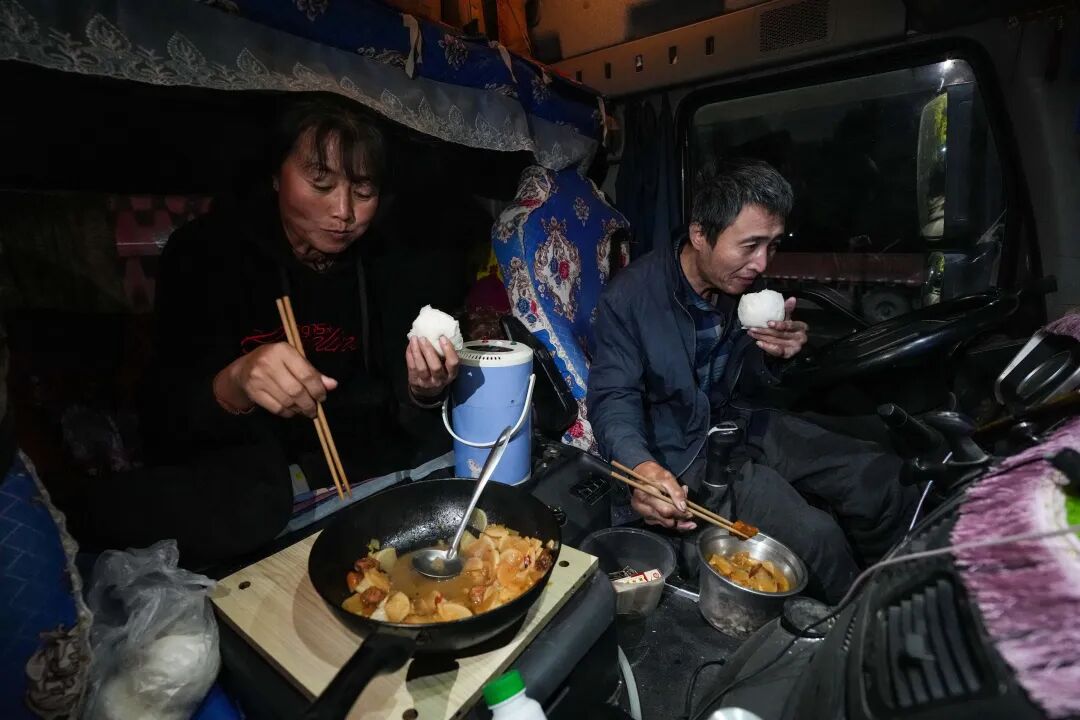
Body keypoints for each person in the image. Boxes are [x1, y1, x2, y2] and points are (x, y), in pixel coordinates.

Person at [70, 96, 459, 565]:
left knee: (450, 457)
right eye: (320, 184)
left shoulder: (390, 260)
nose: (343, 212)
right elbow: (166, 415)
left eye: (363, 190)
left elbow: (400, 397)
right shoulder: (207, 253)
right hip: (241, 465)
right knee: (240, 506)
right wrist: (234, 383)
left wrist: (424, 390)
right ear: (276, 174)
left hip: (355, 455)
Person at [587, 159, 917, 602]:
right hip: (680, 450)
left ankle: (895, 583)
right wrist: (639, 468)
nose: (761, 263)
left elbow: (751, 381)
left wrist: (777, 357)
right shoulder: (630, 299)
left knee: (883, 478)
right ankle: (856, 622)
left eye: (773, 245)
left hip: (741, 422)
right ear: (700, 234)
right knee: (816, 538)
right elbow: (612, 398)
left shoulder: (742, 284)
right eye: (750, 245)